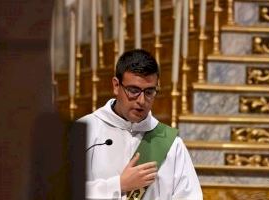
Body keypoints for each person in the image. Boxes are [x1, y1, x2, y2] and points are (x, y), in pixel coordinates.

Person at [78, 49, 203, 200]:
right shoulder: (84, 130)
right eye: (133, 90)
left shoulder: (170, 143)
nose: (142, 101)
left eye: (149, 92)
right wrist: (119, 185)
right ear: (116, 86)